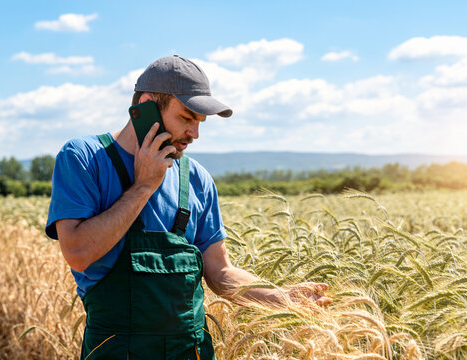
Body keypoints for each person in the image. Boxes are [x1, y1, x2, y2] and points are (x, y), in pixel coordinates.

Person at [45, 55, 332, 360]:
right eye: (186, 118)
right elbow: (77, 253)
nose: (194, 134)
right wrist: (143, 186)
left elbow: (220, 272)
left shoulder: (197, 179)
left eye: (199, 122)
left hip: (191, 351)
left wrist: (281, 298)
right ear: (146, 105)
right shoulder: (84, 158)